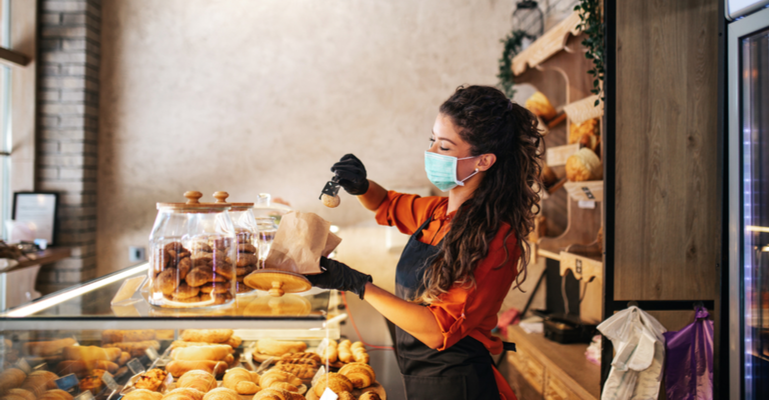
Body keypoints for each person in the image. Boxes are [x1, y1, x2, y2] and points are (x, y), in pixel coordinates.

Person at [307, 85, 543, 400]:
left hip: (459, 385)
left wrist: (358, 284)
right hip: (420, 377)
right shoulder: (438, 213)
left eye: (444, 147)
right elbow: (386, 204)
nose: (431, 153)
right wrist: (361, 185)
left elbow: (437, 330)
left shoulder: (495, 239)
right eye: (432, 140)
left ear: (483, 160)